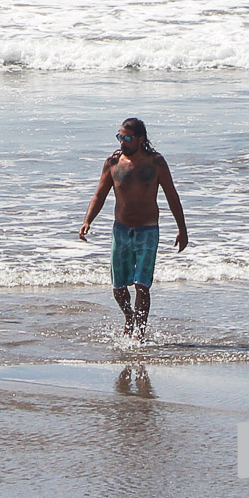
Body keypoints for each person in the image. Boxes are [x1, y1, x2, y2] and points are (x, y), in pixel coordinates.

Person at [78, 117, 188, 339]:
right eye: (120, 137)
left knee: (142, 285)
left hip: (147, 231)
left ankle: (139, 331)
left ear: (141, 139)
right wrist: (87, 220)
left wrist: (182, 229)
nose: (123, 142)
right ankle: (129, 317)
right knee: (119, 288)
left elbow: (172, 196)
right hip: (121, 231)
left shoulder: (156, 163)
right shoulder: (113, 163)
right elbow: (100, 194)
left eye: (128, 138)